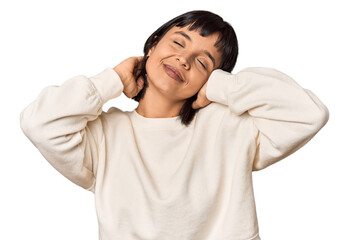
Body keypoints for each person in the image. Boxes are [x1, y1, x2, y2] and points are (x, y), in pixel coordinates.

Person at [19, 10, 329, 240]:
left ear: (211, 79)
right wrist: (111, 80)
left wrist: (223, 88)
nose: (184, 60)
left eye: (203, 62)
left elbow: (309, 113)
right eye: (178, 43)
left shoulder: (230, 126)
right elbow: (39, 122)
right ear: (152, 45)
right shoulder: (104, 136)